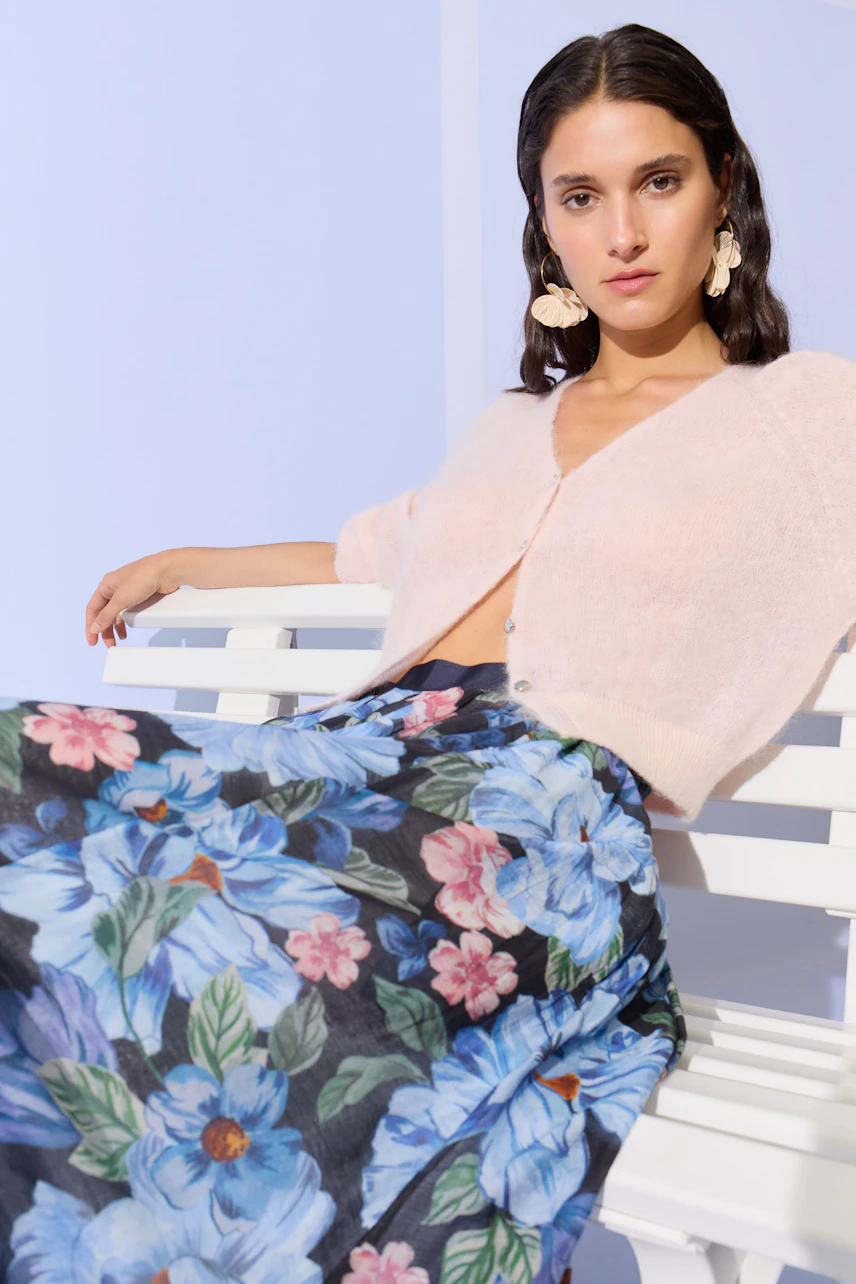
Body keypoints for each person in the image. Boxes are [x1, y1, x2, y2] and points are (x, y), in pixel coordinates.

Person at [2, 21, 853, 1284]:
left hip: (537, 816)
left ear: (721, 187)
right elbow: (379, 548)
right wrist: (199, 562)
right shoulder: (511, 423)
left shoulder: (804, 415)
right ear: (546, 227)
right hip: (356, 759)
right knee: (21, 761)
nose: (621, 233)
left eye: (657, 183)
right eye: (581, 196)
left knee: (187, 912)